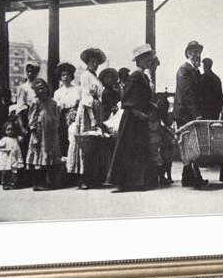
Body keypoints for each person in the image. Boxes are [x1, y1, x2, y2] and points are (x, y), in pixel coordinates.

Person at [108, 44, 156, 192]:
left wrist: (151, 107)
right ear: (139, 60)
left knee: (139, 149)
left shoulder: (143, 76)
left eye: (149, 58)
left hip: (140, 119)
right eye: (146, 58)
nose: (149, 61)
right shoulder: (134, 76)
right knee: (127, 149)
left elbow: (144, 98)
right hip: (131, 119)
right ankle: (122, 183)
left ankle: (138, 182)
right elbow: (126, 100)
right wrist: (139, 114)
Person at [67, 48, 107, 189]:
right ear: (87, 62)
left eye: (96, 62)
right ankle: (83, 178)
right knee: (86, 143)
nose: (94, 64)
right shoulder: (85, 76)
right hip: (87, 112)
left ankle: (93, 177)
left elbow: (99, 96)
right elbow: (86, 97)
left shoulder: (96, 78)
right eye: (92, 61)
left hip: (96, 109)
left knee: (95, 144)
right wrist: (92, 117)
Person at [173, 40, 208, 188]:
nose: (197, 55)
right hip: (184, 114)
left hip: (189, 113)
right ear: (188, 53)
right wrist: (196, 114)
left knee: (190, 146)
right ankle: (193, 177)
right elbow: (187, 94)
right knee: (190, 146)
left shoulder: (194, 70)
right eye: (194, 52)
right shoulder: (184, 70)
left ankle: (189, 177)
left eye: (199, 52)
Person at [25, 78, 62, 191]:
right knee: (38, 157)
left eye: (43, 88)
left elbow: (56, 117)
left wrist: (56, 127)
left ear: (47, 88)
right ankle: (37, 183)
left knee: (50, 157)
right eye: (38, 89)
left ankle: (50, 181)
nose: (41, 91)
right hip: (40, 134)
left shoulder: (53, 102)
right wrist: (34, 134)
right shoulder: (35, 102)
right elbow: (31, 119)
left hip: (51, 134)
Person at [53, 62, 81, 158]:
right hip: (62, 116)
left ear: (71, 76)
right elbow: (56, 107)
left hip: (75, 114)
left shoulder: (77, 89)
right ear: (60, 77)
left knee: (73, 136)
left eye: (68, 75)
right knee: (63, 136)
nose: (65, 77)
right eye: (63, 75)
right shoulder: (58, 92)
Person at [0, 121, 24, 190]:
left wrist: (20, 138)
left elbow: (21, 142)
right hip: (6, 158)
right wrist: (5, 149)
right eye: (8, 129)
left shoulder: (16, 139)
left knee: (14, 171)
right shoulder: (4, 139)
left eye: (12, 129)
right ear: (5, 130)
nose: (10, 131)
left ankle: (13, 183)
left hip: (14, 158)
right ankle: (5, 183)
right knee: (5, 171)